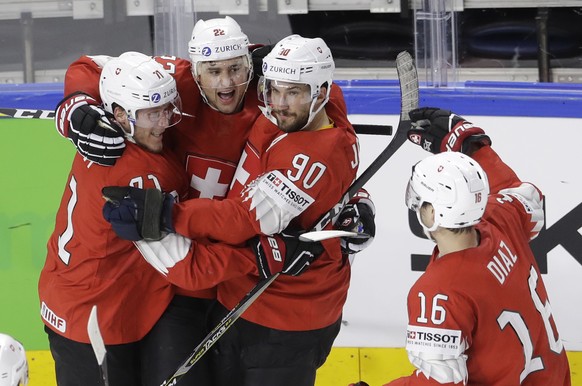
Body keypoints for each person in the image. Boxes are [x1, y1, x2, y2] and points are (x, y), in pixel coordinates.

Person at [54, 16, 375, 384]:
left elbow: (326, 148)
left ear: (251, 65)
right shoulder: (169, 86)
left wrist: (357, 201)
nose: (226, 83)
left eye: (235, 69)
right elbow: (92, 67)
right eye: (213, 71)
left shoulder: (276, 92)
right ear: (194, 70)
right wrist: (76, 106)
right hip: (185, 277)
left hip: (234, 280)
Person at [382, 107, 571, 385]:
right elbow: (525, 198)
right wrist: (472, 148)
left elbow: (439, 383)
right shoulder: (500, 219)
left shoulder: (438, 292)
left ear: (432, 214)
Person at [38, 52, 190, 386]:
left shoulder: (100, 135)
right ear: (120, 114)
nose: (164, 122)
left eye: (167, 108)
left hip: (69, 292)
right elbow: (187, 243)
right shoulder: (141, 174)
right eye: (153, 113)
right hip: (97, 316)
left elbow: (89, 63)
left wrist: (76, 104)